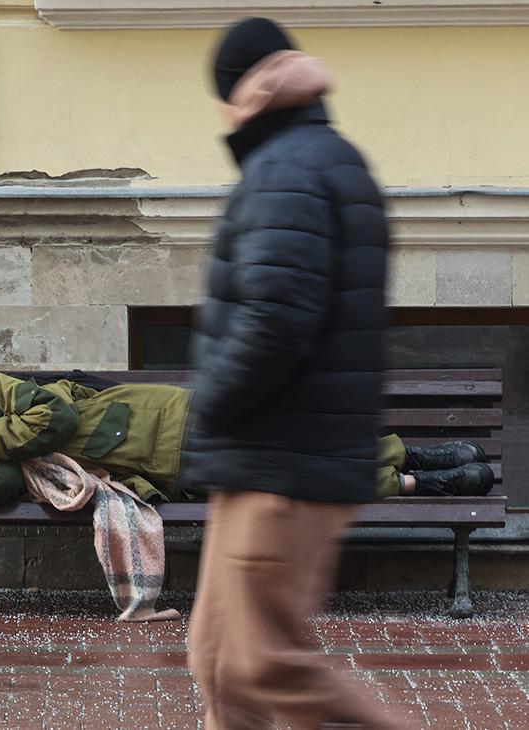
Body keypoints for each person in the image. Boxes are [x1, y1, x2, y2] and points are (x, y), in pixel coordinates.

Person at [184, 18, 408, 728]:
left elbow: (278, 318)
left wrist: (208, 406)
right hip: (267, 458)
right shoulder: (319, 158)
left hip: (283, 461)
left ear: (241, 95)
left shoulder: (288, 169)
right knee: (220, 662)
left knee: (262, 664)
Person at [0, 370, 493, 504]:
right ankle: (417, 480)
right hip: (176, 473)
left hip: (173, 419)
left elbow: (55, 422)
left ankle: (411, 452)